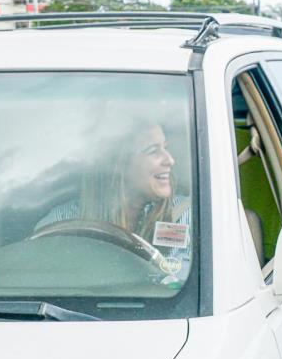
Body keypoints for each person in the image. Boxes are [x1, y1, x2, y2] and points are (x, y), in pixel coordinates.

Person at [37, 120, 192, 283]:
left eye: (165, 148)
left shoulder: (189, 218)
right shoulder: (63, 222)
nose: (169, 160)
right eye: (153, 151)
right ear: (118, 164)